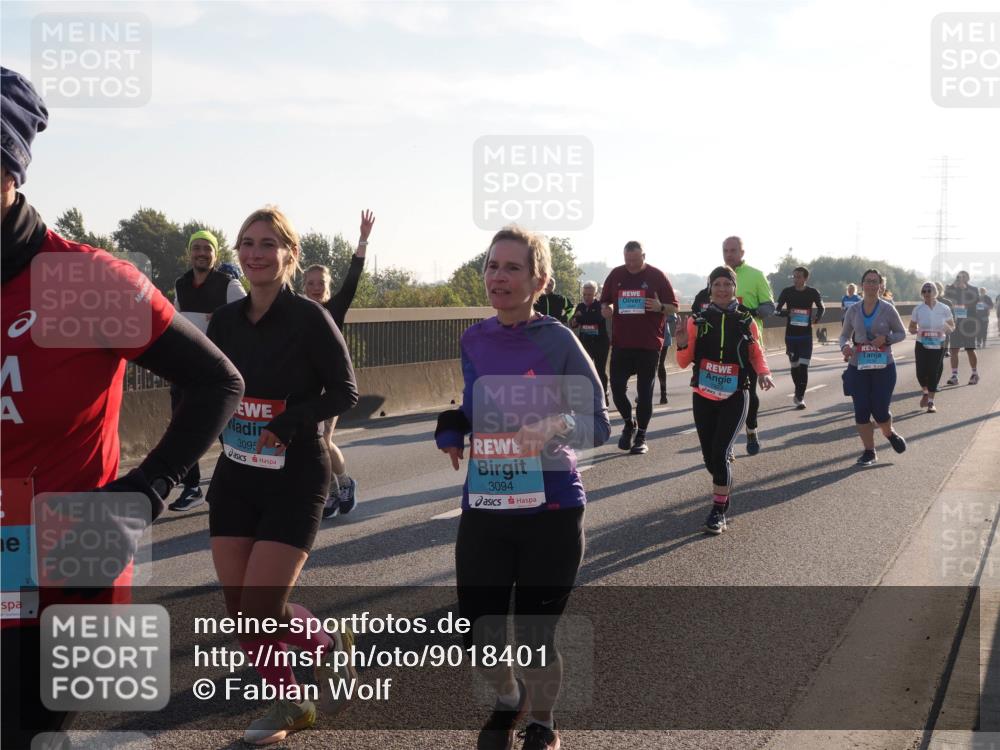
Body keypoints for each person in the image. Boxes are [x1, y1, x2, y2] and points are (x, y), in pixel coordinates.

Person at [1, 66, 244, 748]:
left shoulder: (81, 281)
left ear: (11, 171)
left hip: (68, 558)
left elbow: (218, 383)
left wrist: (146, 490)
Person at [435, 226, 609, 750]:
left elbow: (597, 424)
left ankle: (543, 723)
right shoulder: (474, 338)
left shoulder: (558, 339)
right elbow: (472, 406)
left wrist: (553, 425)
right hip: (487, 505)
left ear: (539, 280)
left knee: (536, 635)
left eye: (512, 268)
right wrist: (451, 428)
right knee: (478, 633)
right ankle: (509, 699)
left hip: (551, 509)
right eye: (492, 266)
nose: (498, 277)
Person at [206, 206, 360, 745]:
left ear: (289, 255)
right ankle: (323, 648)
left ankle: (291, 702)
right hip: (236, 474)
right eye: (246, 243)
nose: (254, 253)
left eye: (267, 244)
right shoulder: (225, 322)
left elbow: (345, 393)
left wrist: (289, 422)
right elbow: (212, 387)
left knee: (261, 606)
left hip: (296, 475)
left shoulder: (309, 318)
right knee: (238, 608)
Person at [675, 266, 775, 534]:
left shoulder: (746, 320)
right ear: (710, 288)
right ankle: (723, 472)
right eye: (717, 284)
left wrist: (764, 373)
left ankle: (719, 511)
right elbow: (684, 362)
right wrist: (682, 344)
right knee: (710, 458)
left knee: (719, 454)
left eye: (726, 284)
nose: (721, 289)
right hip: (703, 395)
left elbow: (756, 353)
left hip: (735, 393)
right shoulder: (697, 321)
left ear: (734, 288)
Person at [302, 209, 374, 518]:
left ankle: (345, 484)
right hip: (306, 385)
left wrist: (362, 240)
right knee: (312, 443)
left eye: (320, 283)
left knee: (324, 439)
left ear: (327, 286)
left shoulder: (335, 308)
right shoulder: (297, 312)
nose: (316, 287)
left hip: (333, 385)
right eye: (311, 282)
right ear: (303, 285)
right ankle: (330, 491)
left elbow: (354, 277)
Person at [168, 229, 247, 511]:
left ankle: (242, 484)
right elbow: (175, 320)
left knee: (227, 430)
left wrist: (225, 317)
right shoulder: (181, 284)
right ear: (190, 253)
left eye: (207, 249)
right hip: (185, 369)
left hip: (218, 372)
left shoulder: (227, 284)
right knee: (182, 428)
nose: (201, 253)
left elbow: (251, 313)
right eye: (197, 248)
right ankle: (192, 488)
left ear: (215, 254)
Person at [599, 241, 679, 455]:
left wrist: (660, 307)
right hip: (622, 343)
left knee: (644, 393)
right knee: (616, 388)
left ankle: (641, 436)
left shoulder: (657, 276)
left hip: (648, 344)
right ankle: (629, 423)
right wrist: (607, 309)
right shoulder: (616, 275)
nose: (631, 264)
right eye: (627, 260)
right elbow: (604, 302)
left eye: (635, 260)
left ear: (644, 255)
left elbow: (673, 307)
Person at [839, 269, 908, 466]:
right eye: (867, 281)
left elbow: (901, 333)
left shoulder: (887, 309)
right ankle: (869, 451)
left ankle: (889, 433)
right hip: (858, 366)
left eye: (874, 281)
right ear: (862, 285)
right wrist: (844, 347)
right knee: (861, 411)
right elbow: (844, 335)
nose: (871, 285)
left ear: (880, 285)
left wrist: (886, 339)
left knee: (880, 411)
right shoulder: (853, 310)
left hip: (883, 366)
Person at [721, 236, 775, 455]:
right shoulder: (718, 276)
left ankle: (751, 429)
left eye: (734, 250)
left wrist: (750, 312)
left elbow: (769, 307)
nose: (729, 254)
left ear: (742, 253)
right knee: (724, 395)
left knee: (748, 393)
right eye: (726, 250)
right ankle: (728, 442)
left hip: (749, 346)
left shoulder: (755, 275)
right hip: (724, 345)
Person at [775, 266, 825, 409]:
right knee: (795, 366)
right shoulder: (787, 292)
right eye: (794, 276)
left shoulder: (812, 292)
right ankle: (798, 389)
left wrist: (817, 317)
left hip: (806, 335)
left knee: (803, 367)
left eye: (799, 277)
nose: (796, 279)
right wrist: (787, 314)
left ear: (805, 278)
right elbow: (776, 310)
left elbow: (821, 308)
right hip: (791, 336)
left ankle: (800, 396)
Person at [908, 282, 955, 413]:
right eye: (924, 291)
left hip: (938, 343)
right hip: (921, 343)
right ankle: (925, 391)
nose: (927, 293)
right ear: (922, 294)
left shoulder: (944, 308)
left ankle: (931, 402)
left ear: (935, 292)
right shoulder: (918, 309)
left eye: (929, 290)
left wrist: (947, 328)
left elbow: (952, 326)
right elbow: (911, 327)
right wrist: (913, 330)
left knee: (933, 371)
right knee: (920, 372)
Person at [569, 280, 610, 403]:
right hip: (585, 342)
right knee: (585, 370)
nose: (586, 297)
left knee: (600, 370)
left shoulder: (600, 305)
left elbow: (596, 319)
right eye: (585, 294)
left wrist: (580, 318)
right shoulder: (580, 306)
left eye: (589, 295)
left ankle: (604, 394)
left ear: (595, 294)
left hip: (600, 343)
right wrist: (575, 321)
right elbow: (572, 322)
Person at [945, 271, 982, 385]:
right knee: (954, 349)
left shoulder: (973, 289)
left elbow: (975, 302)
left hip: (969, 324)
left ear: (968, 278)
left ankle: (974, 374)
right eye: (959, 276)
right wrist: (954, 284)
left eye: (963, 276)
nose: (961, 278)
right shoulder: (953, 288)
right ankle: (955, 375)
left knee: (970, 349)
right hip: (956, 323)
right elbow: (946, 296)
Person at [656, 312, 677, 404]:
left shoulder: (665, 299)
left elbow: (673, 317)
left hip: (663, 338)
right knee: (648, 366)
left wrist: (659, 312)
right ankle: (643, 394)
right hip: (648, 337)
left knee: (660, 365)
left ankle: (663, 394)